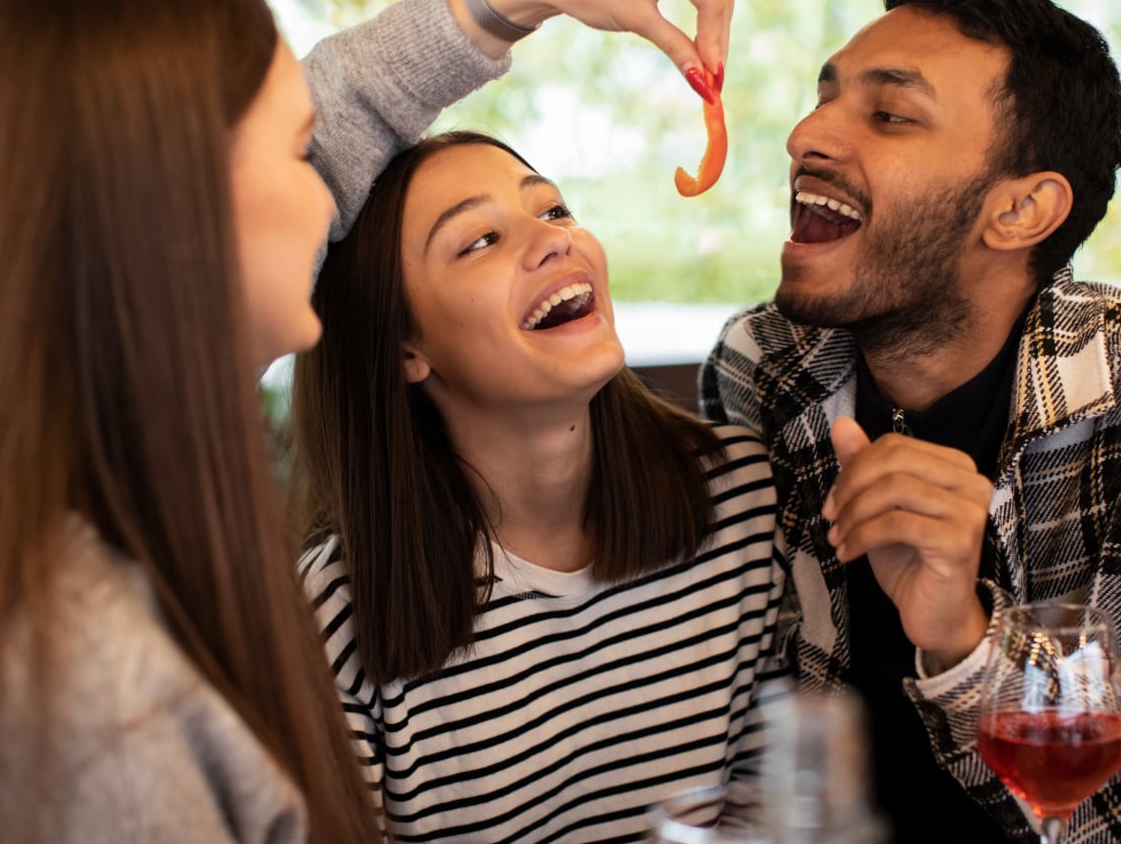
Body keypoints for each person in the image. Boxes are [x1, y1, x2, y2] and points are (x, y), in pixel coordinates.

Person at [0, 0, 737, 842]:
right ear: (177, 211)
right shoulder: (96, 705)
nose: (331, 201)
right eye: (299, 153)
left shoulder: (58, 573)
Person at [699, 0, 1121, 843]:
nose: (807, 132)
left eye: (889, 114)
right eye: (824, 95)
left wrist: (968, 643)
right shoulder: (761, 365)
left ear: (1021, 211)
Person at [292, 130, 784, 841]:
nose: (556, 241)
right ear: (406, 348)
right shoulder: (341, 614)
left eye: (553, 210)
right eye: (480, 241)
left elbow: (778, 811)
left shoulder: (740, 499)